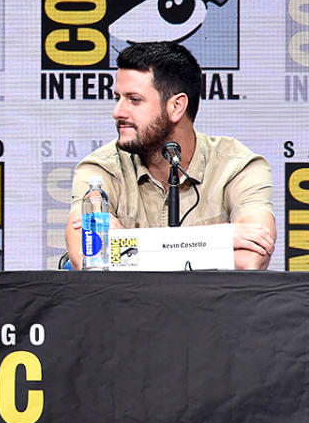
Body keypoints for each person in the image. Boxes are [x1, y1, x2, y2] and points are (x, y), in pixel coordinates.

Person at [65, 41, 275, 270]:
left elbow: (251, 260)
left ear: (176, 106)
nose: (118, 112)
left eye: (134, 100)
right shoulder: (100, 169)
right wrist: (217, 240)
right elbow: (87, 257)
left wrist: (126, 245)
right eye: (118, 98)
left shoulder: (237, 167)